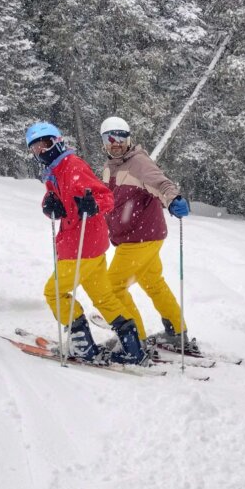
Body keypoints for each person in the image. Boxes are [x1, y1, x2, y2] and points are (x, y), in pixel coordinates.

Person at [25, 121, 148, 365]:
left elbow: (106, 197)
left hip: (80, 245)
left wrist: (93, 206)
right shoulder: (55, 170)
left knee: (55, 292)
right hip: (90, 245)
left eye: (46, 143)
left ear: (58, 141)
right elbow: (55, 198)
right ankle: (133, 348)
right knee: (103, 297)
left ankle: (82, 344)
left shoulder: (72, 166)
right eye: (36, 148)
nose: (42, 151)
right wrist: (49, 206)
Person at [99, 116, 191, 346]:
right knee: (154, 283)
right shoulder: (109, 167)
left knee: (112, 287)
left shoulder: (139, 162)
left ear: (129, 138)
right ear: (104, 143)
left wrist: (173, 200)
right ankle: (176, 332)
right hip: (140, 237)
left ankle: (133, 338)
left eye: (121, 137)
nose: (116, 142)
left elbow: (161, 184)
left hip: (139, 238)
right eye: (110, 138)